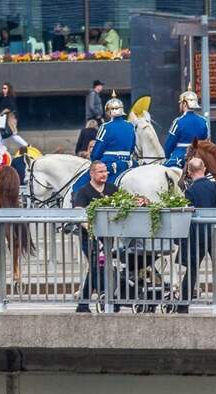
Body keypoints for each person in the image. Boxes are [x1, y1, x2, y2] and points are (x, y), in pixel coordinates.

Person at [176, 158, 216, 315]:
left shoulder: (190, 191)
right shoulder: (215, 186)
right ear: (205, 168)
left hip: (198, 235)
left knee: (193, 269)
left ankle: (183, 303)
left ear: (189, 172)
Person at [74, 161, 118, 313]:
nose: (104, 174)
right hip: (90, 237)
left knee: (98, 266)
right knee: (96, 264)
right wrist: (93, 229)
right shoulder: (84, 191)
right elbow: (79, 213)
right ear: (92, 174)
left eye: (105, 171)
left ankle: (85, 303)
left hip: (107, 236)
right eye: (100, 172)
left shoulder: (113, 189)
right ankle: (105, 298)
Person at [90, 91, 136, 185]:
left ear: (108, 111)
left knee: (85, 180)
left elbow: (96, 154)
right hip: (127, 163)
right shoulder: (130, 126)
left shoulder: (105, 127)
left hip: (109, 163)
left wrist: (94, 159)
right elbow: (132, 148)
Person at [163, 84, 209, 169]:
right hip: (199, 158)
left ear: (184, 104)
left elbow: (170, 144)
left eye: (181, 103)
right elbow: (206, 142)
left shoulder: (178, 121)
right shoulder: (203, 121)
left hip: (180, 157)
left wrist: (166, 156)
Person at [0, 82, 29, 147]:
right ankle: (0, 150)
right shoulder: (6, 97)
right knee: (3, 134)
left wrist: (3, 112)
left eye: (5, 88)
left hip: (9, 119)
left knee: (11, 134)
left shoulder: (10, 98)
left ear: (9, 89)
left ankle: (26, 145)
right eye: (3, 88)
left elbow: (11, 108)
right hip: (5, 119)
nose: (3, 90)